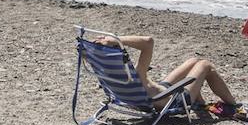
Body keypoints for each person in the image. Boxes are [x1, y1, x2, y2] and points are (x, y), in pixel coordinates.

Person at [96, 34, 237, 108]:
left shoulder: (107, 71)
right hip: (172, 100)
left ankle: (200, 103)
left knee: (193, 61)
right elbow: (148, 42)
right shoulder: (136, 75)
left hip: (157, 93)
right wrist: (116, 39)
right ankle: (233, 104)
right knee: (205, 65)